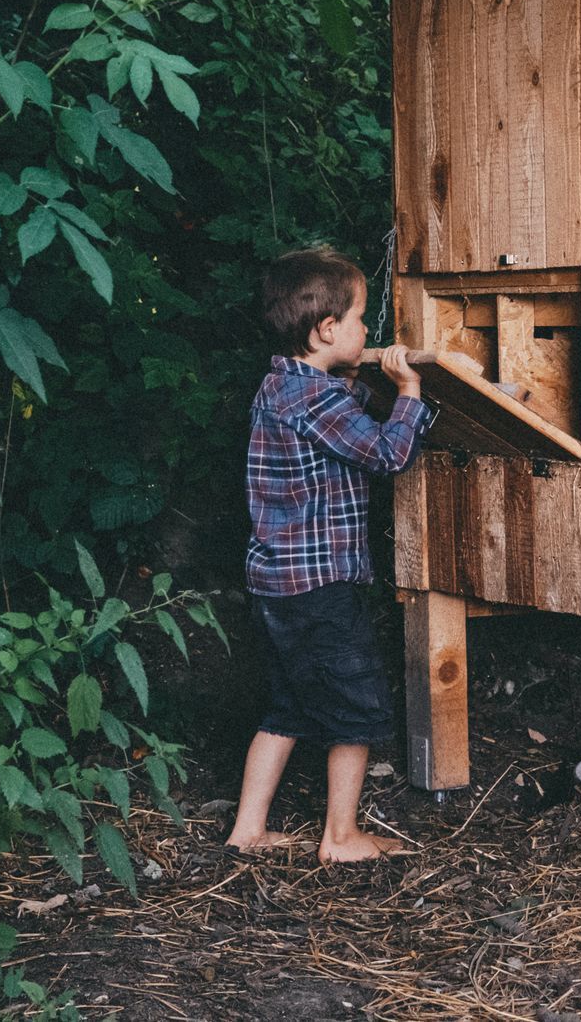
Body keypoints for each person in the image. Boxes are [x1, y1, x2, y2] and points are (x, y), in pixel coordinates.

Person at [225, 246, 435, 862]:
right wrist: (411, 390)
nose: (367, 331)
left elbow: (337, 426)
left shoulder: (281, 385)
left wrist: (356, 382)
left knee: (286, 705)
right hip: (320, 585)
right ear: (326, 330)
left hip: (275, 583)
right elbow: (387, 455)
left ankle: (248, 830)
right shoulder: (317, 400)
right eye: (361, 319)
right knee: (357, 705)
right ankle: (341, 837)